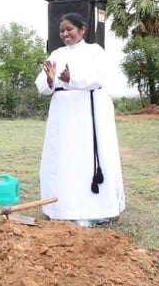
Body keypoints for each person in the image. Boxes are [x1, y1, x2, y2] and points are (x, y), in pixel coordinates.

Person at [35, 12, 126, 226]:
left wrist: (71, 78)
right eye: (62, 31)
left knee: (88, 158)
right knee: (65, 158)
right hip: (63, 114)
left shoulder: (94, 51)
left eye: (69, 29)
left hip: (89, 111)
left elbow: (97, 78)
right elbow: (41, 85)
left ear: (82, 30)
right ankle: (61, 208)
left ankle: (97, 211)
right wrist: (50, 80)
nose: (65, 34)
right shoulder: (56, 53)